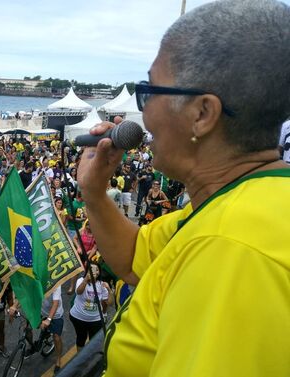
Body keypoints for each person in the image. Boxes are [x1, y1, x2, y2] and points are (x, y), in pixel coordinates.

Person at [76, 1, 290, 376]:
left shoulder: (230, 250)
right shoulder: (241, 202)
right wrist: (94, 192)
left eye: (149, 91)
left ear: (202, 114)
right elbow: (135, 259)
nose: (143, 116)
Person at [68, 264, 110, 351]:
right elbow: (79, 292)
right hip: (78, 318)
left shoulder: (102, 285)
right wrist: (86, 280)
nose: (94, 272)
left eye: (96, 270)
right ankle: (80, 360)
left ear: (99, 272)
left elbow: (106, 302)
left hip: (96, 320)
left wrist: (104, 313)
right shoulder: (81, 280)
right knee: (81, 338)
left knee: (93, 341)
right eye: (91, 269)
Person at [39, 284, 65, 374]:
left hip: (55, 315)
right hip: (42, 311)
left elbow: (55, 303)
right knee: (26, 326)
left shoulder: (56, 282)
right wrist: (15, 305)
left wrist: (49, 319)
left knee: (56, 337)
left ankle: (58, 359)